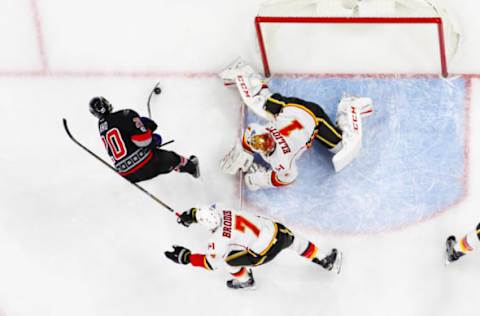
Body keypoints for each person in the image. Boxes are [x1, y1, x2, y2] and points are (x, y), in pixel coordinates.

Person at [218, 57, 374, 191]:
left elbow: (286, 178)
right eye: (261, 146)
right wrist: (245, 154)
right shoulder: (257, 132)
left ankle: (348, 107)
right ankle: (245, 74)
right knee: (259, 102)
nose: (263, 149)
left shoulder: (283, 161)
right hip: (290, 106)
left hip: (314, 116)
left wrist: (256, 180)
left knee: (341, 147)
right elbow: (249, 137)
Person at [164, 203, 342, 289]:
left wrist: (186, 257)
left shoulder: (217, 241)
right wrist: (192, 215)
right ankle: (326, 260)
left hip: (263, 253)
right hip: (276, 232)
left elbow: (210, 263)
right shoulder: (225, 209)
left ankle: (246, 281)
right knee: (296, 241)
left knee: (227, 260)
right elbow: (205, 212)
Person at [89, 96, 200, 183]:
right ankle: (192, 168)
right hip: (148, 166)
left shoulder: (101, 127)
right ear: (107, 104)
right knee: (174, 158)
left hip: (128, 175)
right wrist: (153, 140)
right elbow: (144, 141)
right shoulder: (125, 114)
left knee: (155, 151)